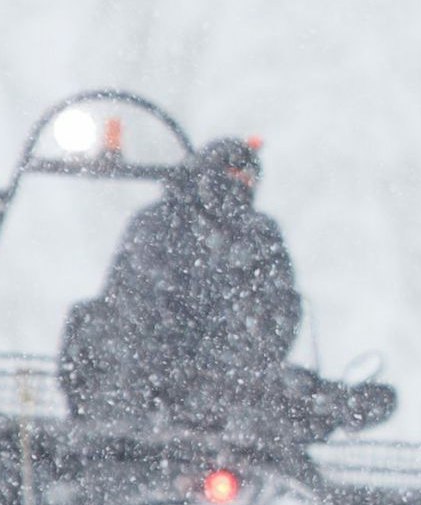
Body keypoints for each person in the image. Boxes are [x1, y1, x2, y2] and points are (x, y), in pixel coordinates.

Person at [60, 138, 302, 432]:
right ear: (210, 175)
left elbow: (278, 313)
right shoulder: (164, 226)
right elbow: (135, 299)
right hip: (173, 387)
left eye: (249, 179)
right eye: (236, 176)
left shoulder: (253, 235)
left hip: (182, 389)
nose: (242, 186)